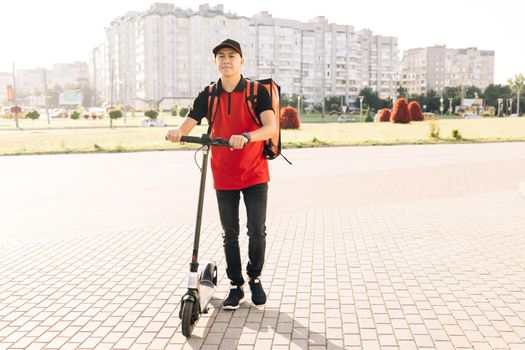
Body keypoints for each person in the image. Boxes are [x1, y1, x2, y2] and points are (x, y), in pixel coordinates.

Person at [166, 39, 276, 309]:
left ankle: (255, 277)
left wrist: (248, 136)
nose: (226, 61)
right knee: (230, 233)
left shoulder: (256, 91)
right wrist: (179, 132)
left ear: (242, 61)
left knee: (256, 231)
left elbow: (271, 128)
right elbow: (190, 121)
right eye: (221, 57)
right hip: (223, 173)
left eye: (232, 56)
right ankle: (236, 285)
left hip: (254, 173)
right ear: (215, 62)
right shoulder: (209, 94)